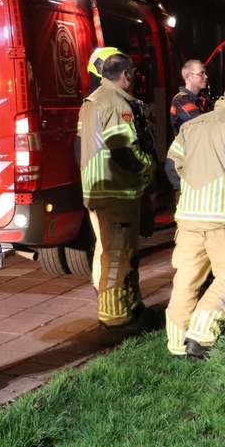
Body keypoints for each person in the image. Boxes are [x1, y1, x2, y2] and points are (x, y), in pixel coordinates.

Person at [164, 81, 225, 359]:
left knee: (186, 279)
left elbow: (171, 167)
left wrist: (189, 192)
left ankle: (176, 343)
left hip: (187, 217)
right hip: (223, 217)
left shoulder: (190, 126)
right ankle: (201, 336)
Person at [76, 52, 157, 331]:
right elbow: (123, 152)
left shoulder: (93, 102)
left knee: (124, 253)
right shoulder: (114, 102)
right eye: (132, 73)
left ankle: (131, 307)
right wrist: (148, 168)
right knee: (116, 256)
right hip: (116, 191)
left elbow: (78, 149)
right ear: (125, 74)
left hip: (102, 190)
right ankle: (115, 319)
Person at [170, 59, 212, 134]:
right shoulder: (181, 100)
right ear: (188, 76)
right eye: (201, 73)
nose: (206, 77)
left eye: (206, 73)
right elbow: (200, 123)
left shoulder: (202, 98)